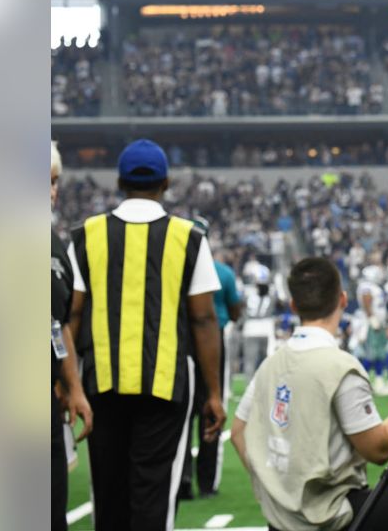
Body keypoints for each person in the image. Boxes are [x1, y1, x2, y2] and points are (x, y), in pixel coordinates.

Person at [66, 138, 226, 531]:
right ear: (166, 183)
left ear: (120, 182)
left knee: (109, 494)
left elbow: (71, 316)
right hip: (165, 384)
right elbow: (204, 321)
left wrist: (65, 384)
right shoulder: (189, 237)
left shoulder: (86, 235)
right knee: (153, 496)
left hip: (101, 382)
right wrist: (214, 394)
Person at [231, 257, 388, 531]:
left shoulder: (270, 364)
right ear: (342, 299)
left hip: (280, 520)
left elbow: (237, 433)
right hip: (331, 515)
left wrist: (275, 490)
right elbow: (379, 449)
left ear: (293, 306)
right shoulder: (340, 367)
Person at [178, 240, 244, 501]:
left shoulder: (175, 267)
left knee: (180, 414)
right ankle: (206, 484)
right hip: (212, 342)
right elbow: (235, 311)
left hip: (181, 342)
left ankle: (182, 480)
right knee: (212, 411)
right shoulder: (223, 272)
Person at [51, 141, 93, 531]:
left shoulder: (54, 245)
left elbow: (59, 323)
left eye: (54, 182)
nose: (51, 191)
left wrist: (73, 387)